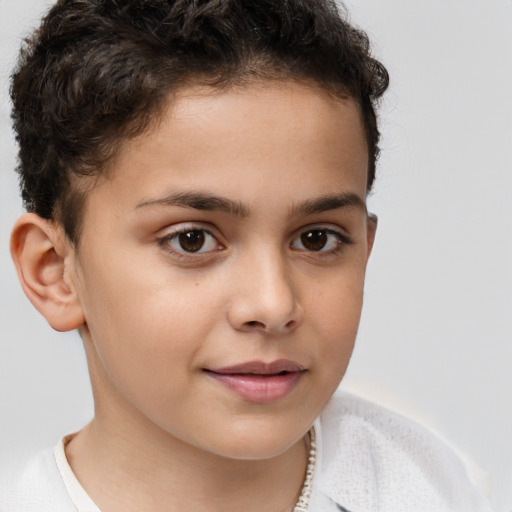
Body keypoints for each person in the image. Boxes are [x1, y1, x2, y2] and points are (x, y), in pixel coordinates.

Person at [0, 1, 493, 511]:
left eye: (317, 239)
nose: (273, 304)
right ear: (54, 272)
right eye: (191, 239)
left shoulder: (428, 487)